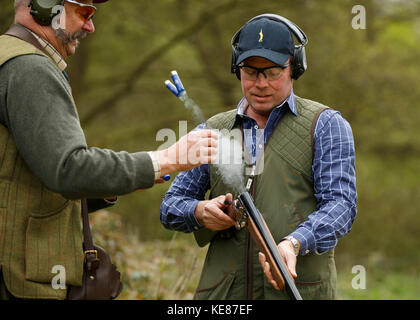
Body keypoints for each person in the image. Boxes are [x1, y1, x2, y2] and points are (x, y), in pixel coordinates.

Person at [0, 0, 219, 300]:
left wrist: (126, 180)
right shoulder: (31, 69)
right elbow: (68, 169)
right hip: (19, 279)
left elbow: (28, 180)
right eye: (84, 13)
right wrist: (165, 159)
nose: (90, 26)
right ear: (45, 5)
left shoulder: (10, 57)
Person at [160, 14, 357, 300]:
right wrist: (200, 212)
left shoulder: (326, 125)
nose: (261, 83)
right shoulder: (212, 129)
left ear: (295, 68)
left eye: (273, 71)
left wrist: (294, 243)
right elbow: (170, 207)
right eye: (251, 71)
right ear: (236, 69)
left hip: (299, 290)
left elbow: (341, 206)